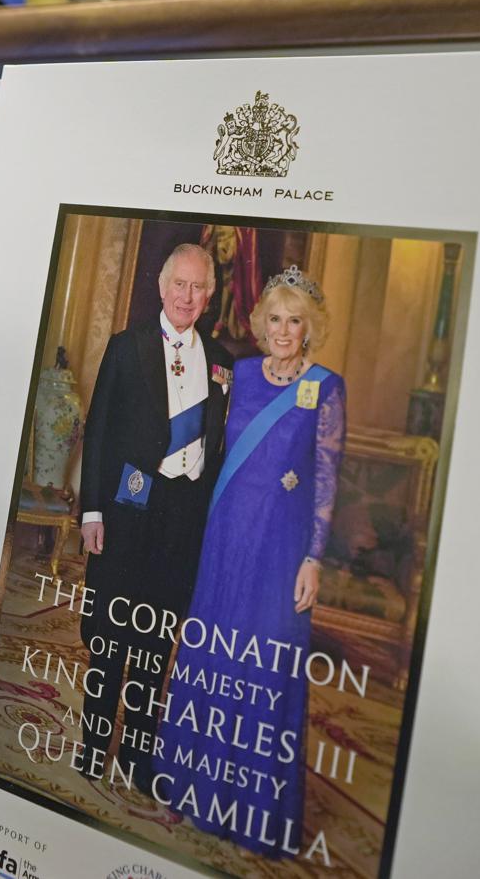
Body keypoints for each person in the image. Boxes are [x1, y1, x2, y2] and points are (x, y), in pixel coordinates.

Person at [153, 266, 347, 857]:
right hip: (226, 534)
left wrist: (314, 557)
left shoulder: (327, 386)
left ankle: (252, 811)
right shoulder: (237, 373)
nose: (284, 330)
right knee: (213, 649)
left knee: (264, 663)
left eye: (295, 321)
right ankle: (190, 785)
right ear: (261, 322)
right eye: (275, 318)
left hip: (281, 547)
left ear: (310, 329)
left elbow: (325, 479)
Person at [76, 243, 233, 784]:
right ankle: (94, 744)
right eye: (180, 285)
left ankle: (136, 754)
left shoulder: (221, 364)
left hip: (182, 515)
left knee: (157, 635)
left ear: (209, 297)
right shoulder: (127, 347)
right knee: (112, 629)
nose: (188, 296)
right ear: (162, 288)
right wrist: (91, 511)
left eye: (199, 288)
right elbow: (97, 432)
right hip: (129, 502)